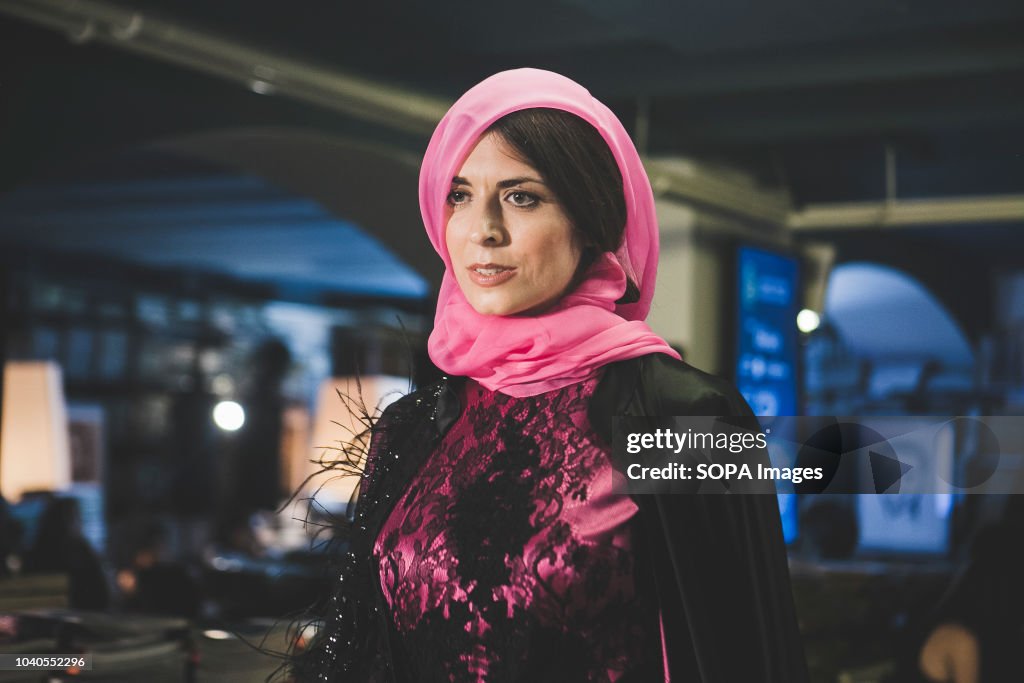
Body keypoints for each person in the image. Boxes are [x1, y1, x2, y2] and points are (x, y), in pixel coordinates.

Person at [291, 68, 807, 682]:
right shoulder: (410, 429)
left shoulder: (690, 416)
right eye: (459, 195)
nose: (483, 230)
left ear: (589, 223)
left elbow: (745, 651)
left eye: (521, 196)